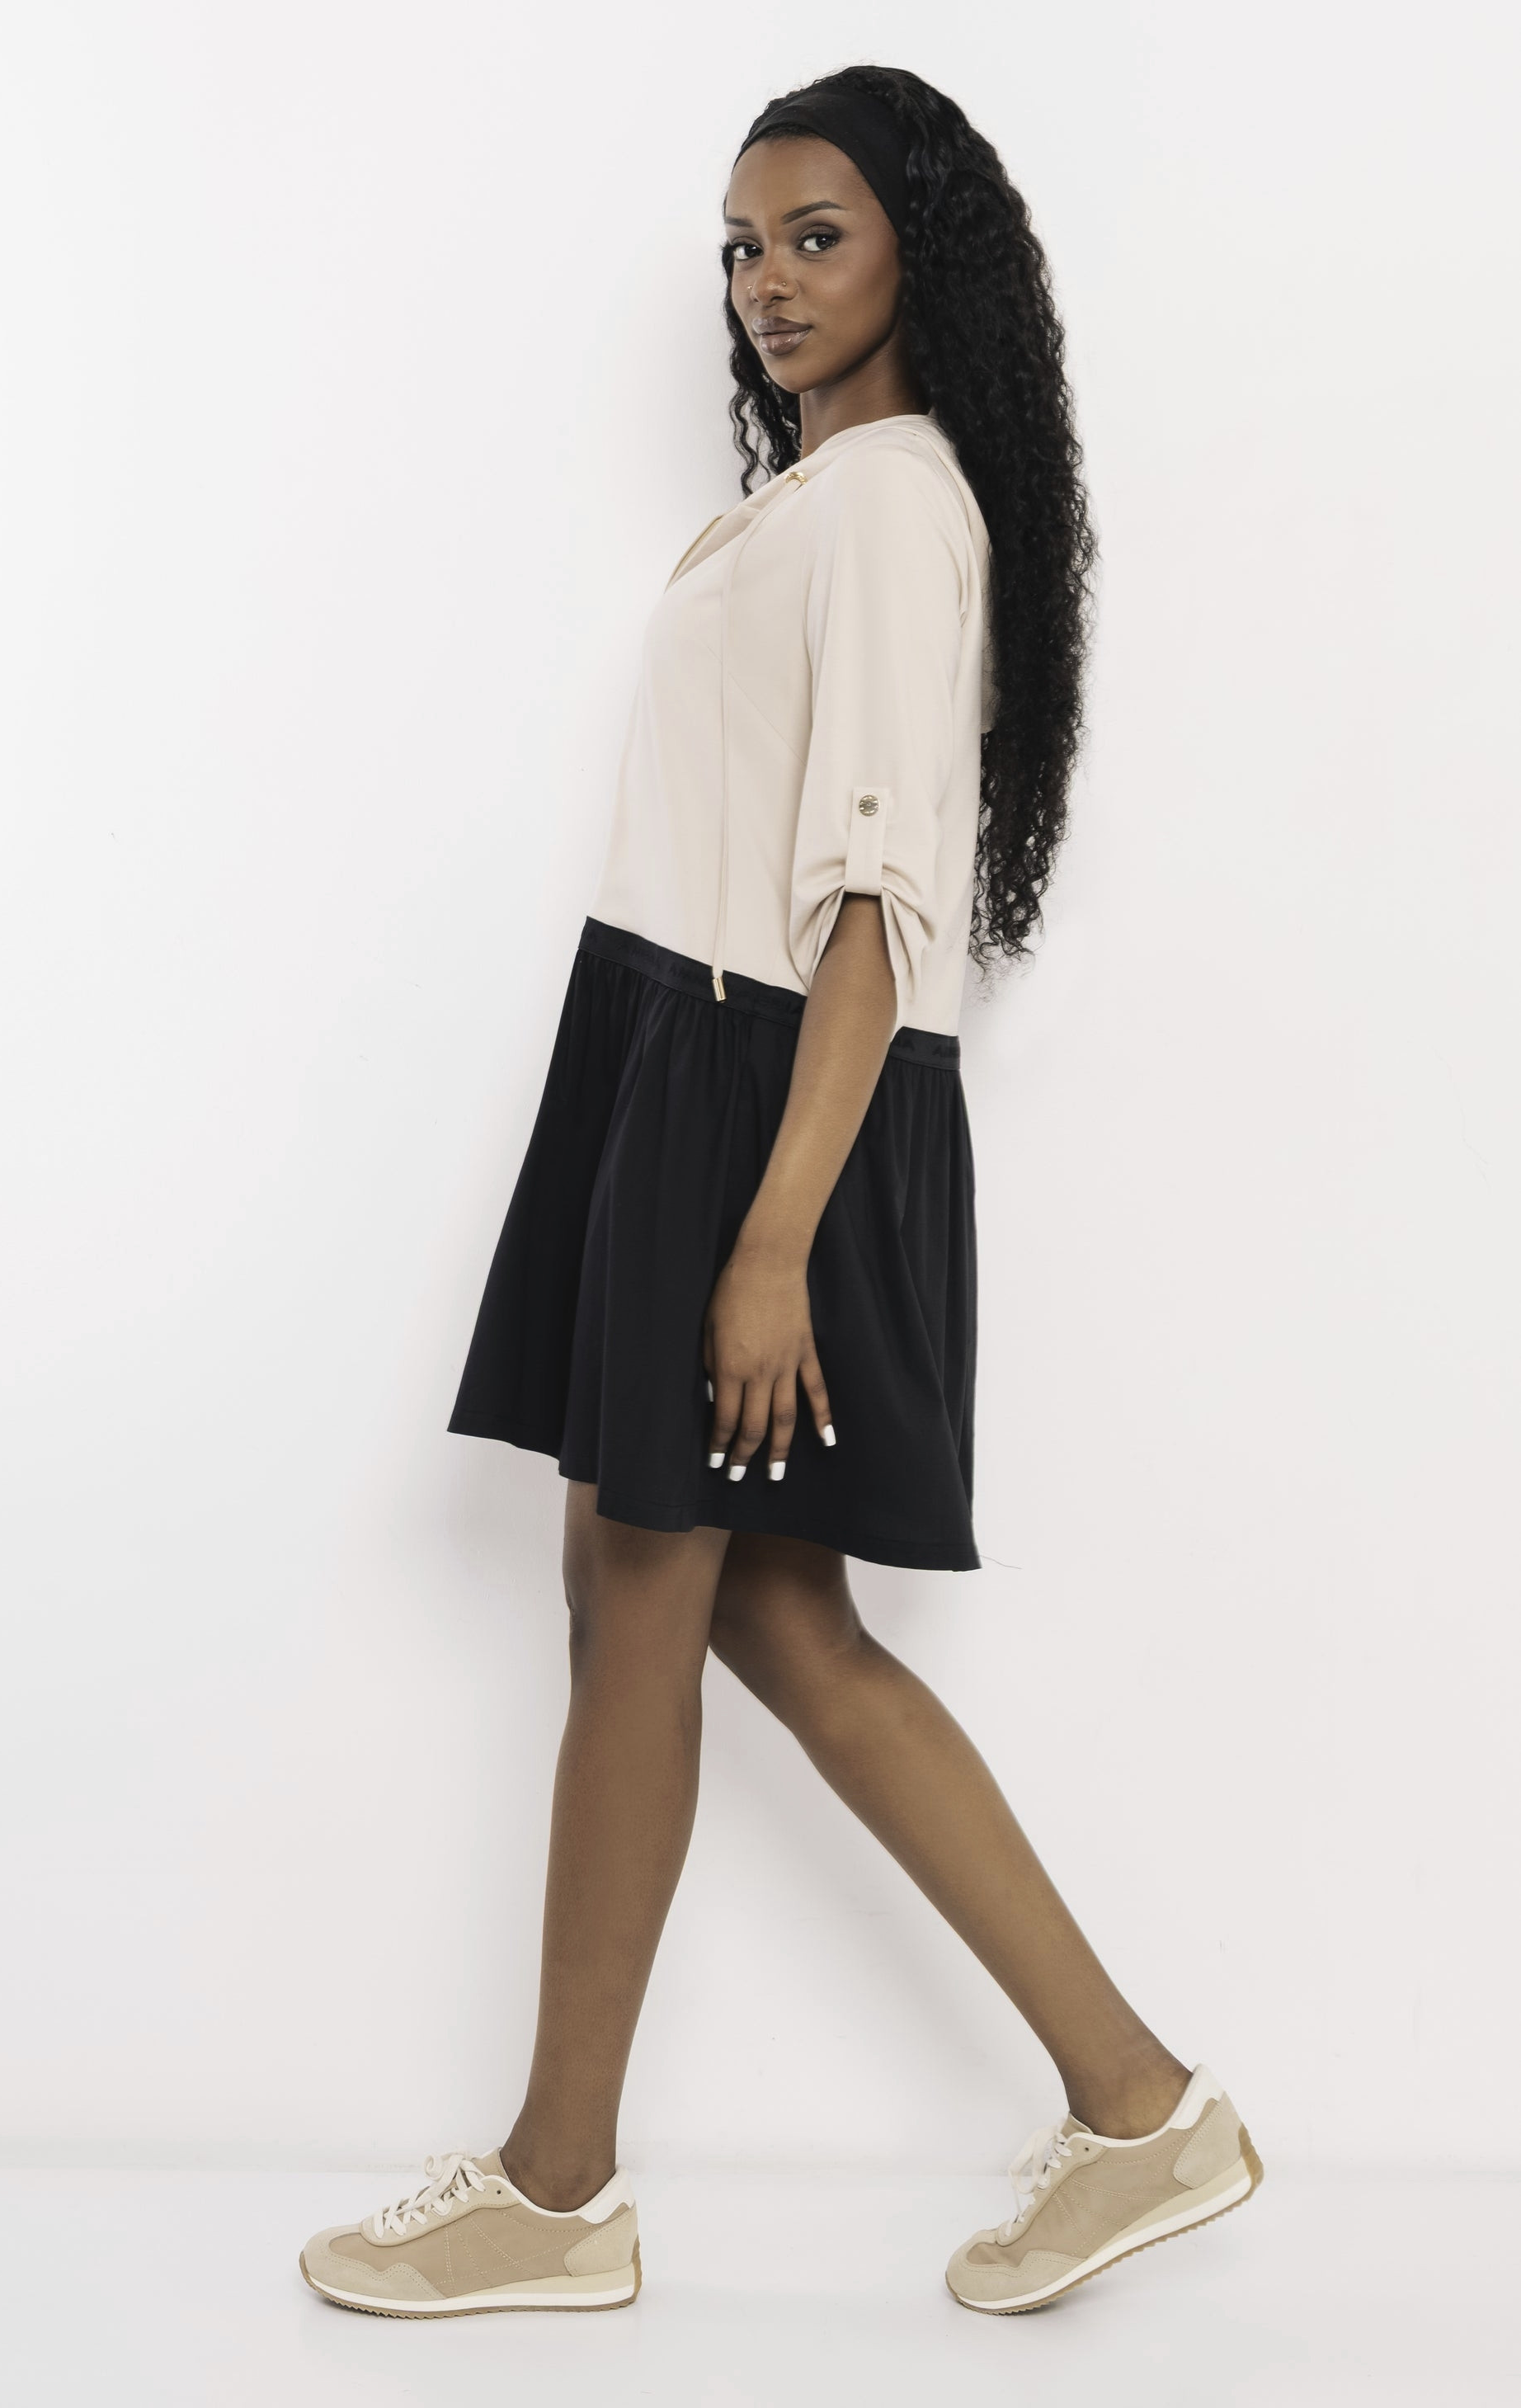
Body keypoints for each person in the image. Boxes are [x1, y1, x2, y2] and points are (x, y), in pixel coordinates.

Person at [299, 63, 1261, 2322]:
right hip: (691, 1056)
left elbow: (876, 912)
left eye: (815, 236)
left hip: (765, 1091)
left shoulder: (894, 512)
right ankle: (1136, 2104)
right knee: (762, 1616)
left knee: (645, 1590)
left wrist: (763, 1239)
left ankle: (560, 2188)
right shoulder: (826, 500)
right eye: (741, 247)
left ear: (925, 246)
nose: (766, 283)